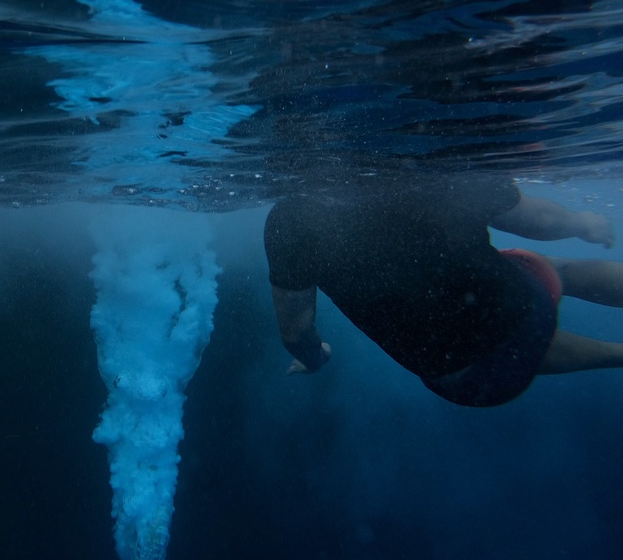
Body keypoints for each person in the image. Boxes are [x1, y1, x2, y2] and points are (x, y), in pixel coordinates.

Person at [264, 169, 623, 407]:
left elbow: (296, 332)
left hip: (474, 383)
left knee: (480, 346)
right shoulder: (439, 162)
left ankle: (615, 353)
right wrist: (583, 224)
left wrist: (317, 358)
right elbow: (541, 221)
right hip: (525, 316)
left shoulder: (291, 218)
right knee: (551, 269)